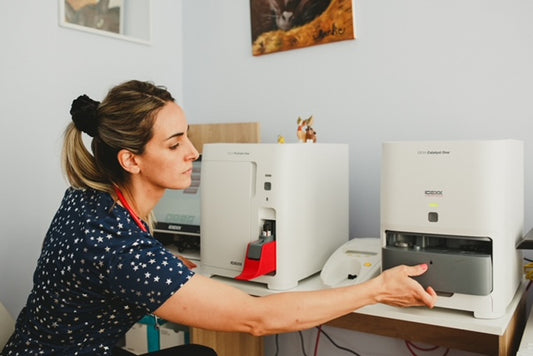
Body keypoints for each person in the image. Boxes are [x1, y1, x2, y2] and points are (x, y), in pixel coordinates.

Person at [1, 80, 437, 356]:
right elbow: (259, 319)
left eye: (187, 136)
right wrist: (376, 289)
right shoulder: (117, 246)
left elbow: (103, 273)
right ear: (131, 159)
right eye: (174, 145)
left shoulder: (85, 197)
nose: (193, 152)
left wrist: (167, 269)